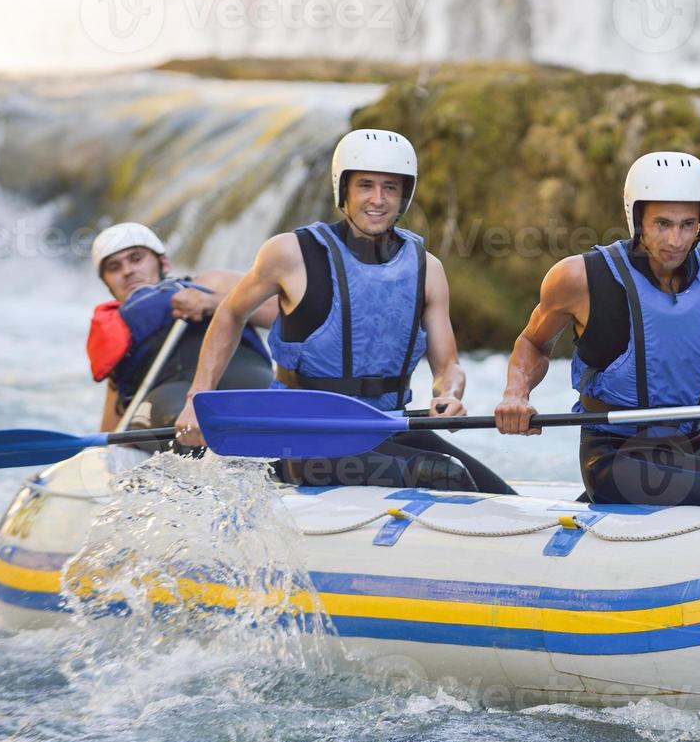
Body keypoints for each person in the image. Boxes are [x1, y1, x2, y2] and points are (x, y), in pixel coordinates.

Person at [174, 129, 512, 493]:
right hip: (300, 435)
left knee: (497, 494)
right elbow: (229, 314)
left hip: (383, 426)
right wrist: (197, 400)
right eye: (365, 185)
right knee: (446, 474)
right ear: (344, 189)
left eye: (390, 188)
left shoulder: (428, 269)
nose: (378, 200)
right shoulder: (290, 253)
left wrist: (449, 394)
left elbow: (447, 366)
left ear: (404, 197)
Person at [495, 151, 700, 506]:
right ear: (637, 218)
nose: (675, 240)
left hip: (694, 444)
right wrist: (516, 394)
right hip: (616, 454)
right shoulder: (579, 278)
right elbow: (533, 343)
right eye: (662, 224)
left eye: (687, 225)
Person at [88, 222, 276, 433]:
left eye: (136, 258)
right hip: (167, 396)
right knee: (175, 419)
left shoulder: (212, 282)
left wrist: (212, 302)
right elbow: (108, 436)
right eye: (114, 267)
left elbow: (283, 311)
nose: (128, 271)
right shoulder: (118, 335)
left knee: (271, 408)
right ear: (107, 284)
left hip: (243, 374)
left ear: (163, 263)